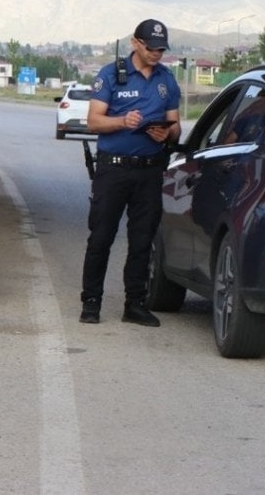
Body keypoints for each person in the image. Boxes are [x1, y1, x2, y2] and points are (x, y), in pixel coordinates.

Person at [79, 19, 182, 327]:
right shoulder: (111, 74)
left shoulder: (167, 79)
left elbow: (175, 125)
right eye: (152, 48)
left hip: (150, 171)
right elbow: (94, 122)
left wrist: (168, 134)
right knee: (101, 237)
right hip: (114, 169)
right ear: (136, 43)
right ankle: (91, 302)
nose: (157, 54)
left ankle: (134, 304)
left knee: (142, 240)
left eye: (161, 49)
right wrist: (122, 122)